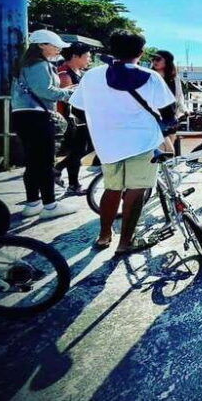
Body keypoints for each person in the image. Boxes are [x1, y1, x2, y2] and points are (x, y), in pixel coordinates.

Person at [69, 30, 176, 254]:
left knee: (112, 189)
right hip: (143, 142)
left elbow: (77, 109)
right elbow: (168, 112)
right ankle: (126, 241)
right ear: (140, 52)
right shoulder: (150, 77)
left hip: (107, 144)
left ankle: (104, 235)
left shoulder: (91, 76)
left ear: (112, 49)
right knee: (136, 190)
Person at [10, 30, 79, 219]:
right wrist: (68, 93)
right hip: (38, 117)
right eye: (55, 45)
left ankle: (33, 203)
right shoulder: (40, 64)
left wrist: (62, 91)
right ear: (41, 45)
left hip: (22, 116)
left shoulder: (25, 64)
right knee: (46, 161)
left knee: (33, 162)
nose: (58, 49)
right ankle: (50, 206)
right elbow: (45, 91)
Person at [54, 42, 93, 195]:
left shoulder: (78, 72)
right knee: (78, 151)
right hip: (71, 120)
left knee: (80, 151)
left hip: (80, 119)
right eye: (87, 56)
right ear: (76, 56)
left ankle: (61, 173)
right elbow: (65, 98)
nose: (89, 59)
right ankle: (72, 183)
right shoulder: (64, 74)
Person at [150, 50, 187, 155]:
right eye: (153, 59)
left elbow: (179, 97)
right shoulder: (150, 77)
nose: (154, 61)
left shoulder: (174, 78)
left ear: (167, 61)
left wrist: (184, 110)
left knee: (167, 155)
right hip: (156, 119)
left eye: (158, 59)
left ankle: (165, 171)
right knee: (168, 152)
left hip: (171, 119)